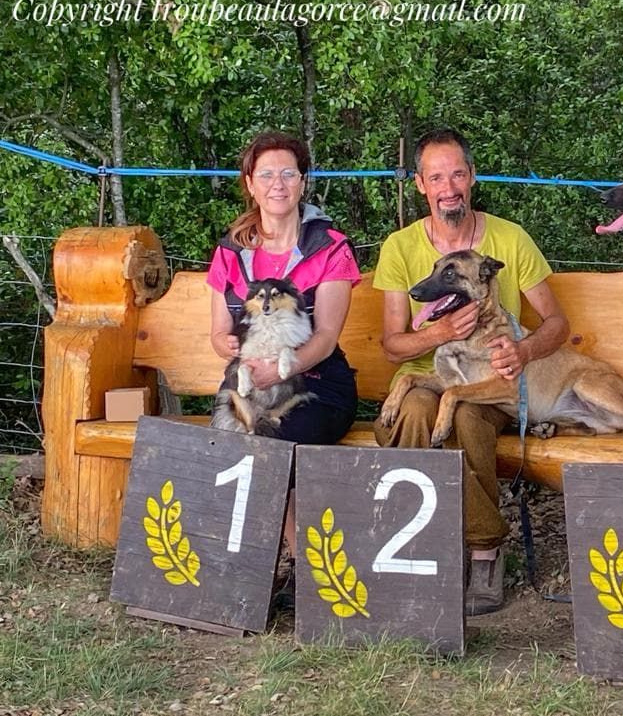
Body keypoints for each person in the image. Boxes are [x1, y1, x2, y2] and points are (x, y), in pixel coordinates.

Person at [372, 128, 569, 616]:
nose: (449, 186)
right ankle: (430, 547)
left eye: (457, 173)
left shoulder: (509, 239)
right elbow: (394, 345)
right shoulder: (400, 247)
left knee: (463, 416)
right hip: (430, 374)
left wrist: (524, 353)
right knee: (420, 410)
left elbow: (558, 324)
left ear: (473, 176)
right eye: (436, 176)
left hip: (493, 382)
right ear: (420, 184)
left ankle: (482, 553)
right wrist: (439, 334)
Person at [207, 130, 361, 562]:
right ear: (250, 183)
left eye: (288, 173)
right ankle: (248, 560)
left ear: (303, 181)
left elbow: (327, 338)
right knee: (224, 440)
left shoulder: (331, 247)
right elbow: (219, 334)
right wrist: (244, 358)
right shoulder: (230, 253)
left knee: (272, 440)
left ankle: (298, 563)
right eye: (267, 174)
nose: (278, 183)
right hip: (247, 379)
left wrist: (281, 369)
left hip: (313, 383)